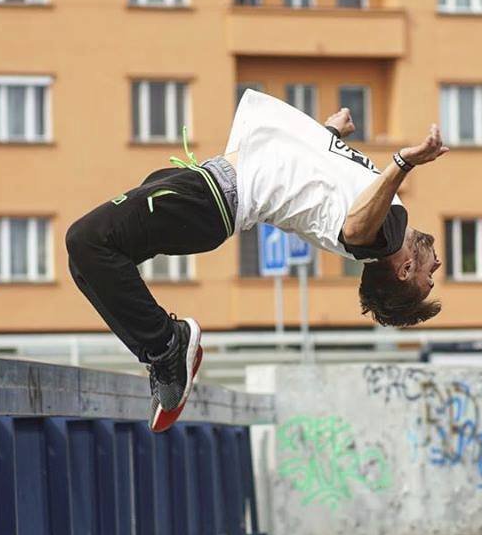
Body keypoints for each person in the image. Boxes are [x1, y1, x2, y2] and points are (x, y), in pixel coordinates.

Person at [65, 88, 448, 432]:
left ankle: (168, 348)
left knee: (87, 242)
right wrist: (326, 136)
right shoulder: (383, 212)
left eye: (427, 281)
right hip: (207, 189)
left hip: (210, 199)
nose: (437, 267)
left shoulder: (381, 234)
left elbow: (355, 227)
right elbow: (309, 178)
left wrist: (403, 162)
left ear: (405, 270)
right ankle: (164, 349)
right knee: (88, 258)